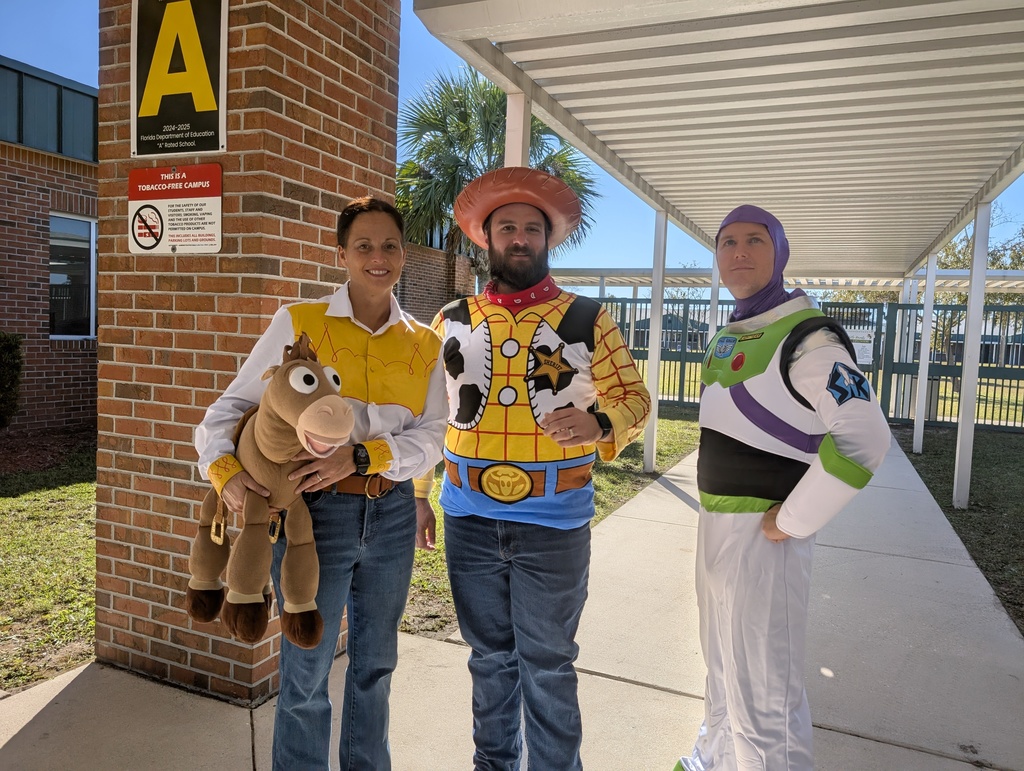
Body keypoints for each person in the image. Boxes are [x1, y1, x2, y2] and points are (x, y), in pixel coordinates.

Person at [194, 196, 448, 770]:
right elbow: (226, 410)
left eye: (390, 246)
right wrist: (227, 475)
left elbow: (434, 436)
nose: (378, 257)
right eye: (364, 246)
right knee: (306, 670)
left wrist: (363, 457)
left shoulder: (426, 344)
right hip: (316, 516)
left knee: (376, 665)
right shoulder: (298, 322)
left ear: (404, 255)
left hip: (390, 514)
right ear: (341, 254)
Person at [430, 166, 652, 770]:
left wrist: (600, 423)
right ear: (486, 238)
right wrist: (421, 493)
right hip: (467, 518)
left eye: (532, 228)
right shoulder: (451, 319)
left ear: (549, 238)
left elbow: (635, 399)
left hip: (554, 522)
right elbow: (431, 413)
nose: (520, 238)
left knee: (548, 664)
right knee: (487, 659)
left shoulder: (587, 318)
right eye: (507, 227)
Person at [674, 205, 891, 771]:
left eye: (755, 240)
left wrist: (793, 520)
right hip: (716, 524)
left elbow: (865, 437)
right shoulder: (735, 332)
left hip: (765, 533)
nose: (739, 252)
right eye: (727, 242)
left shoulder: (809, 339)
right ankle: (714, 758)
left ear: (780, 252)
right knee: (722, 666)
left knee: (765, 690)